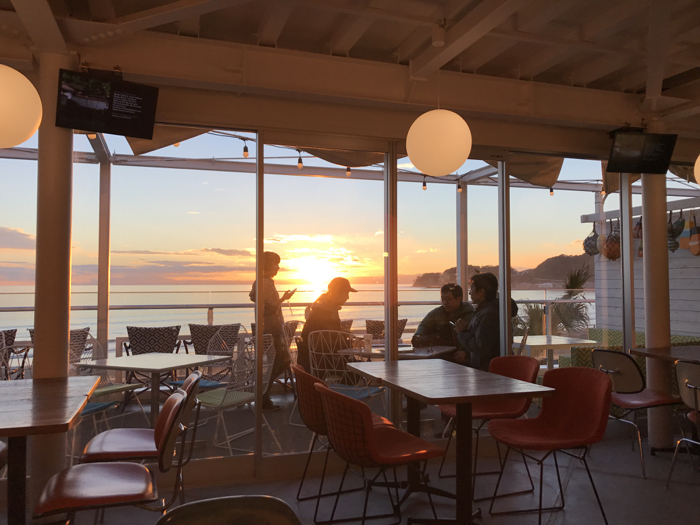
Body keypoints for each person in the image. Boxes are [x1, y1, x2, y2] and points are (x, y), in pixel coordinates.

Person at [249, 251, 296, 411]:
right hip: (271, 330)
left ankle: (263, 392)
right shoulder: (265, 283)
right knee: (279, 362)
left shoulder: (262, 282)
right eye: (276, 264)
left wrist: (282, 299)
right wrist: (283, 299)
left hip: (269, 329)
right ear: (268, 265)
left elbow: (263, 304)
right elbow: (268, 309)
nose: (278, 267)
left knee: (277, 362)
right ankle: (262, 394)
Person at [454, 272, 518, 372]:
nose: (470, 293)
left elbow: (481, 347)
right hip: (492, 368)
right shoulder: (492, 310)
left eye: (472, 289)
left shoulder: (489, 314)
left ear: (481, 291)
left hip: (490, 371)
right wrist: (469, 331)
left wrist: (462, 333)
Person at [297, 277, 357, 373]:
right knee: (359, 368)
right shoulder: (325, 312)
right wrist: (351, 343)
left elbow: (329, 335)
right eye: (346, 293)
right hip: (320, 362)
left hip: (312, 360)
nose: (347, 297)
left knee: (356, 365)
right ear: (337, 293)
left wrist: (346, 337)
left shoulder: (325, 307)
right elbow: (327, 342)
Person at [411, 283, 475, 354]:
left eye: (447, 299)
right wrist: (418, 336)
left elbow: (477, 342)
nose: (444, 302)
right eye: (442, 299)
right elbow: (423, 326)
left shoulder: (470, 315)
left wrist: (466, 353)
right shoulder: (437, 313)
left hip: (459, 353)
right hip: (438, 352)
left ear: (459, 298)